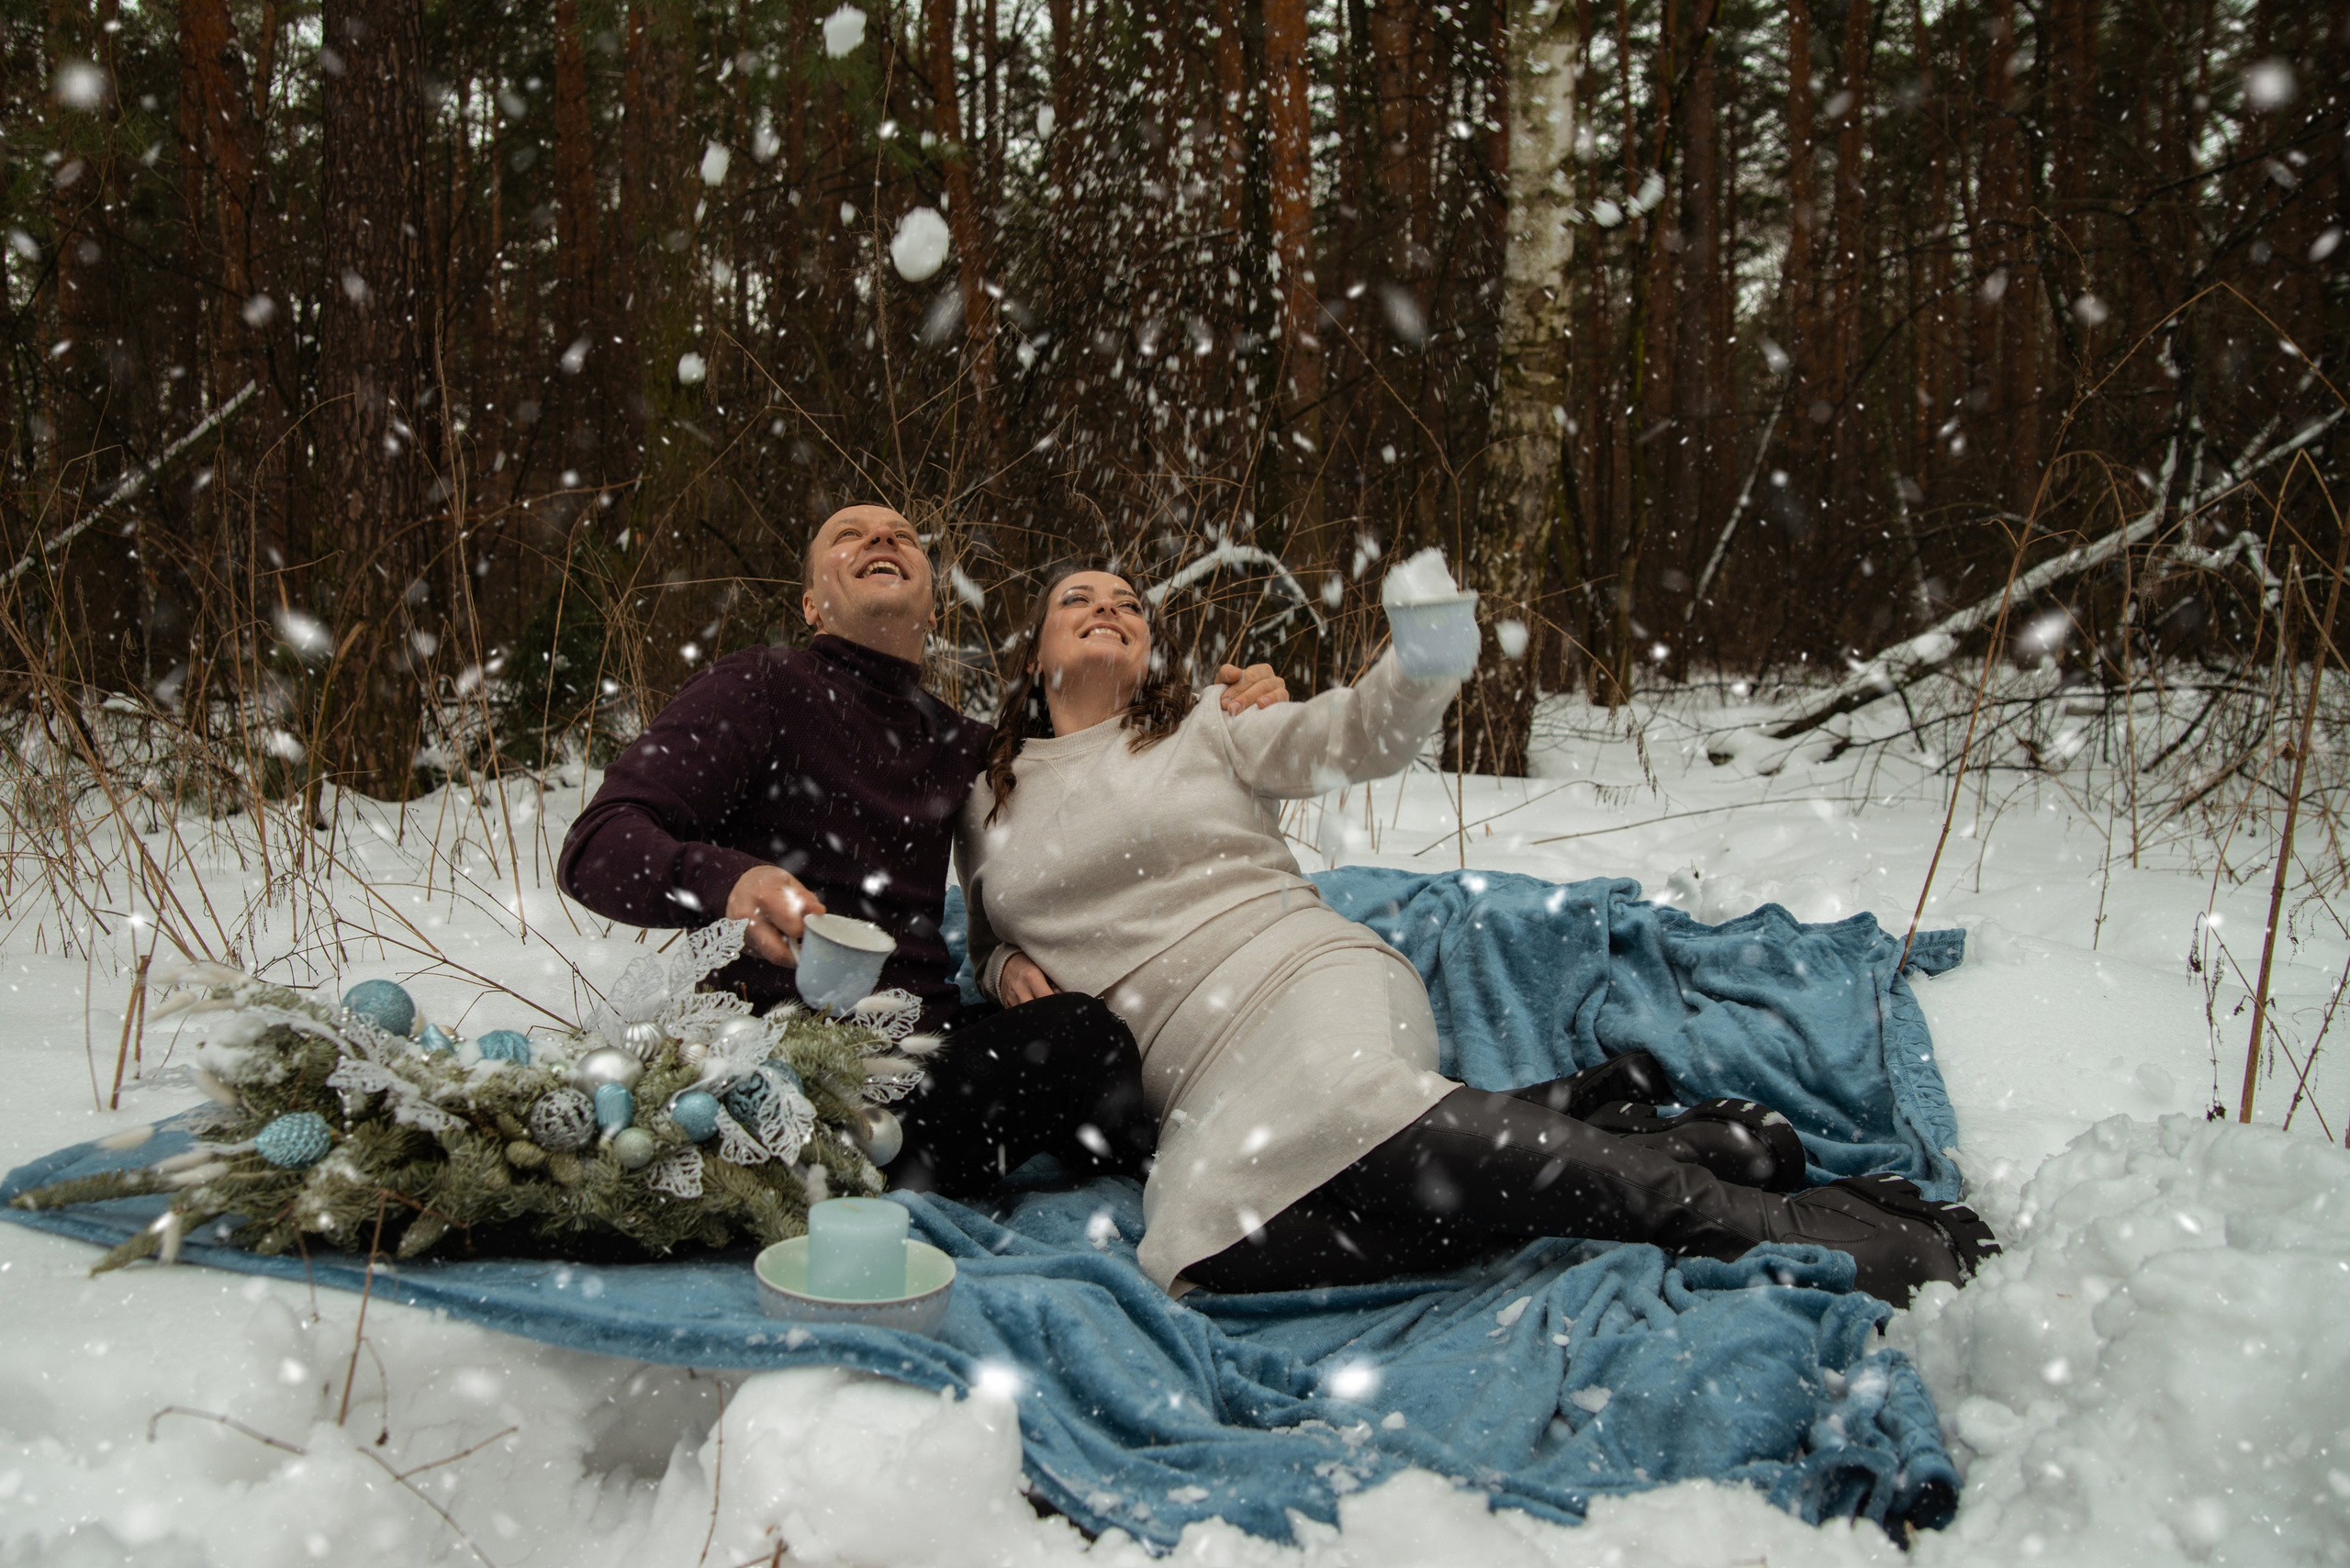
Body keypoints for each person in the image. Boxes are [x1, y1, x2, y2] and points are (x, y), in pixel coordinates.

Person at [955, 558, 1998, 1305]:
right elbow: (986, 928)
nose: (1108, 609)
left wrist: (1424, 652)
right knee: (1195, 1250)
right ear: (1034, 649)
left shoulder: (1208, 726)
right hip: (1189, 1069)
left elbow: (1357, 733)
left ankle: (1745, 1217)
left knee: (1343, 1113)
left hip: (1294, 981)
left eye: (1129, 602)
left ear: (1148, 647)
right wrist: (1001, 961)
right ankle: (1615, 1144)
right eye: (1076, 599)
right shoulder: (983, 797)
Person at [556, 505, 1292, 1197]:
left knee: (1089, 1038)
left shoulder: (962, 747)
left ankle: (1240, 1156)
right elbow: (596, 846)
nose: (881, 540)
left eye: (902, 536)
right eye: (849, 535)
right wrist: (729, 884)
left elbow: (1098, 772)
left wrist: (1223, 715)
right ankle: (834, 1161)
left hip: (924, 1055)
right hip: (774, 1055)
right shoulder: (758, 686)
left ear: (934, 610)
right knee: (1081, 1045)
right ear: (813, 605)